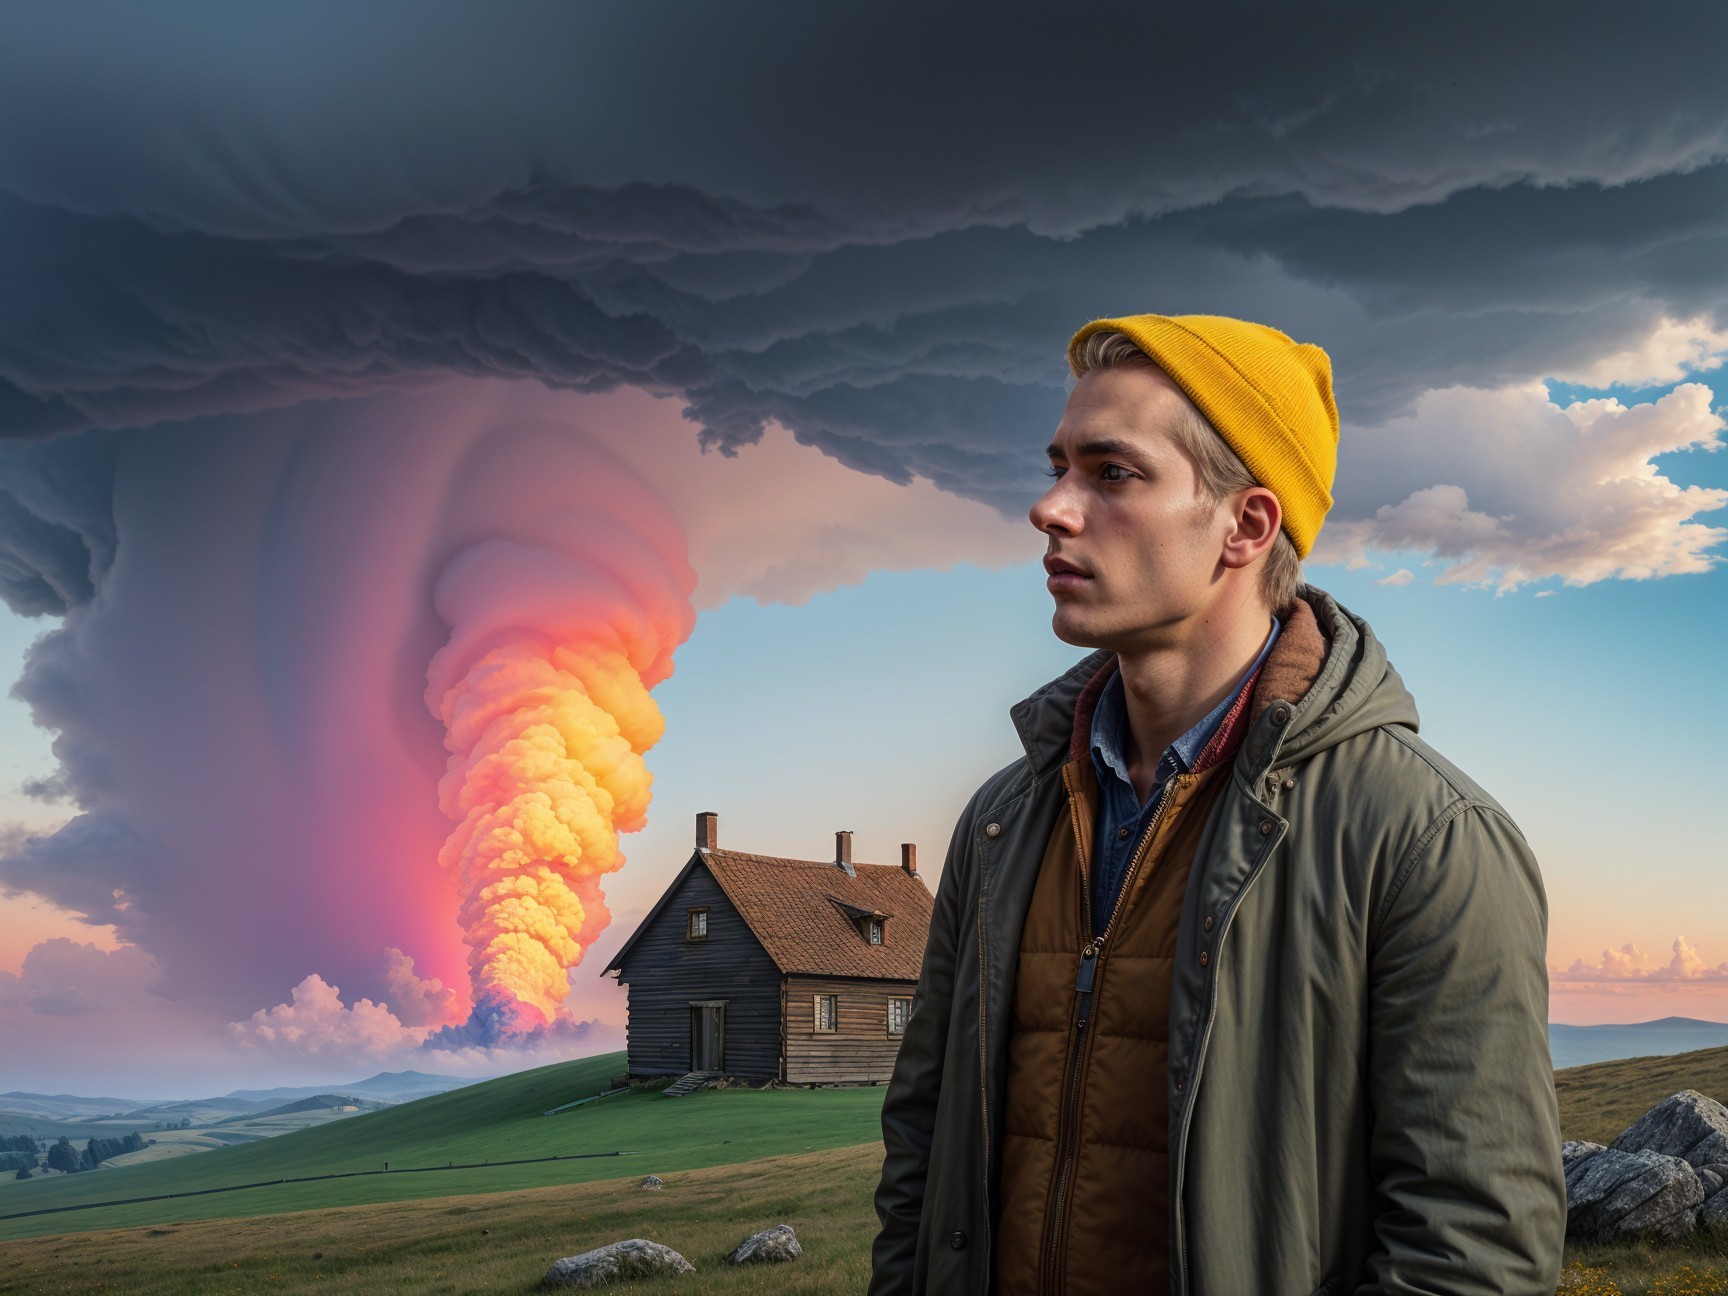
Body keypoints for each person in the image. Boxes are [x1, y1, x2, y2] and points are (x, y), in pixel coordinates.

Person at [868, 313, 1565, 1295]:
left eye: (1111, 474)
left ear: (1247, 525)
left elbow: (1471, 1252)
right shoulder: (1005, 819)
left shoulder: (1427, 840)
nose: (1050, 508)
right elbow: (920, 1156)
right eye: (1059, 464)